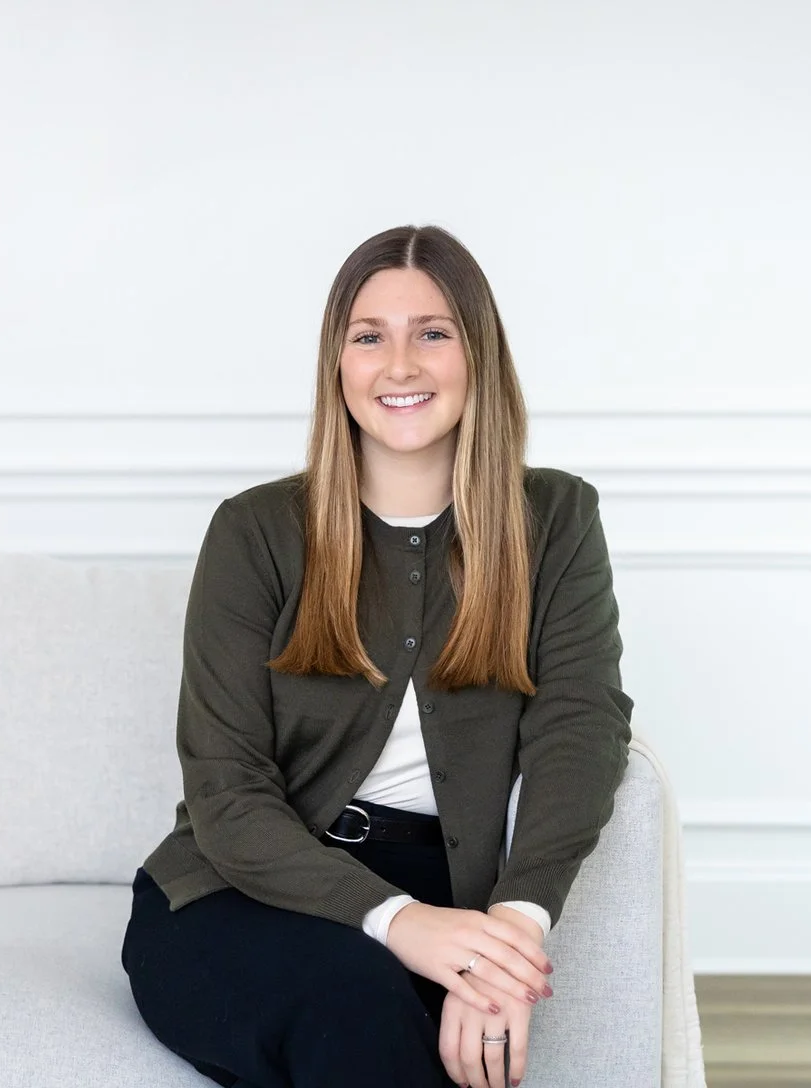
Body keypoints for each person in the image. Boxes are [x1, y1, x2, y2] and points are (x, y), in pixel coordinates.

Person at [119, 224, 635, 1088]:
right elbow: (225, 789)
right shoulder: (255, 532)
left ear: (479, 355)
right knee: (351, 999)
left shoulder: (555, 521)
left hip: (450, 890)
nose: (401, 365)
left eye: (432, 333)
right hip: (241, 890)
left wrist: (509, 931)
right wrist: (401, 924)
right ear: (339, 365)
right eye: (370, 337)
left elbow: (580, 729)